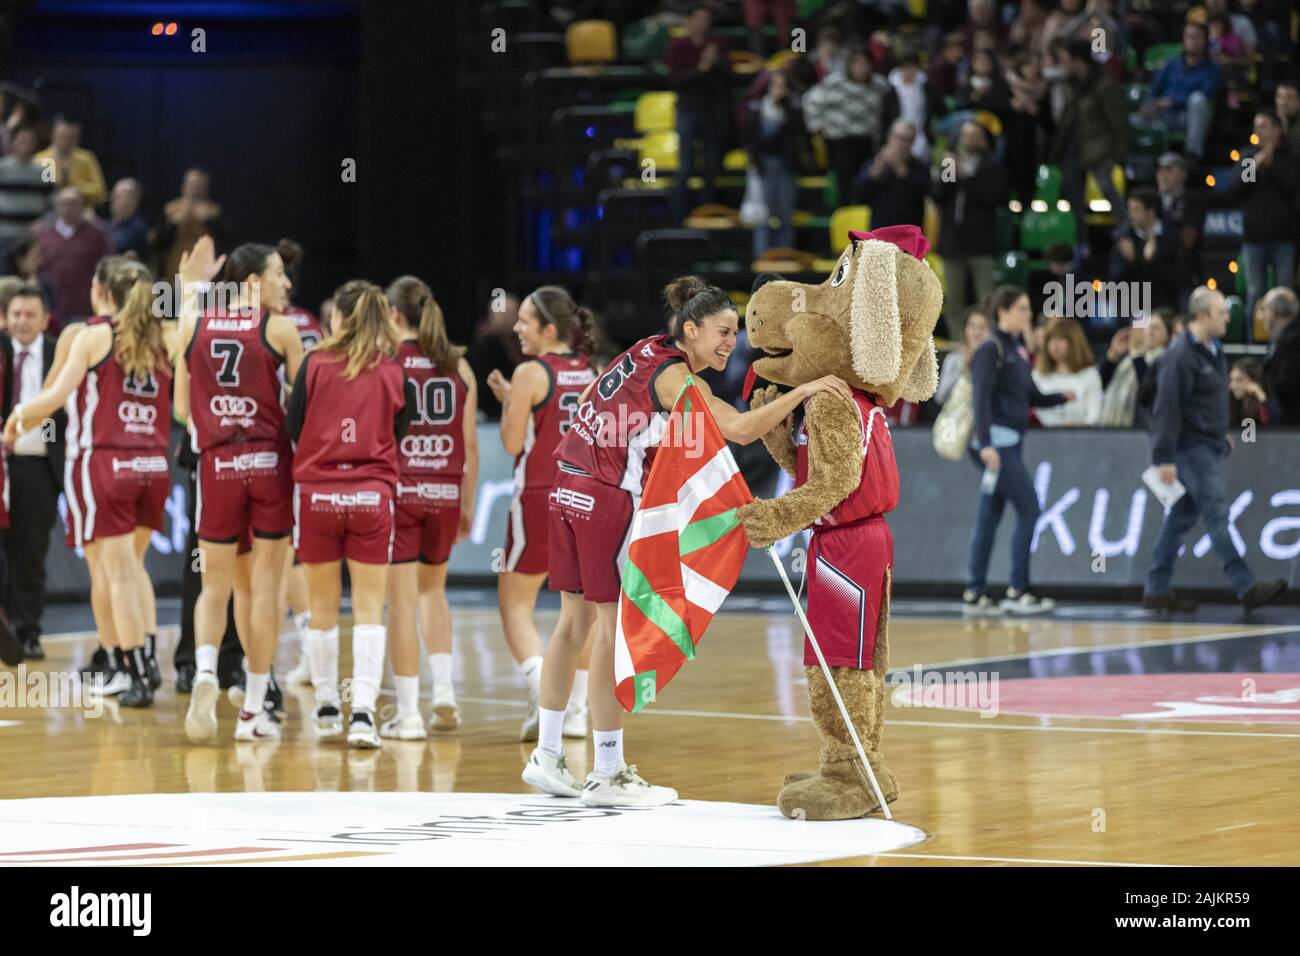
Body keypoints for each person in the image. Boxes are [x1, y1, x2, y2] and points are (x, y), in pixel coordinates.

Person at [522, 276, 854, 806]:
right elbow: (740, 430)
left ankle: (546, 754)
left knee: (572, 622)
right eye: (722, 332)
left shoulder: (642, 350)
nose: (732, 343)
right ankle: (607, 770)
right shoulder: (680, 381)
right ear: (691, 329)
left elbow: (589, 396)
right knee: (612, 630)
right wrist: (807, 389)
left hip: (566, 485)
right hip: (606, 497)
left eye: (736, 333)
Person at [3, 259, 172, 706]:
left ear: (101, 292)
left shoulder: (94, 334)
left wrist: (18, 419)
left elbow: (55, 397)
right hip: (153, 465)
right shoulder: (163, 337)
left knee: (109, 573)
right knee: (133, 569)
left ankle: (126, 666)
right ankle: (148, 660)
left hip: (105, 462)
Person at [175, 239, 304, 742]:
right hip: (269, 462)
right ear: (254, 282)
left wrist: (192, 286)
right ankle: (254, 707)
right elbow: (302, 410)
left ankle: (205, 670)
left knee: (215, 586)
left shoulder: (194, 325)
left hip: (217, 464)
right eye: (278, 274)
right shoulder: (281, 329)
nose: (286, 283)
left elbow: (183, 411)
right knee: (263, 589)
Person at [285, 280, 411, 748]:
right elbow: (402, 426)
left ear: (338, 316)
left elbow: (292, 424)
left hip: (318, 494)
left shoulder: (315, 362)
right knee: (368, 609)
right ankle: (362, 714)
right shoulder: (392, 368)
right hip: (371, 496)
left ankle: (323, 705)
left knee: (320, 608)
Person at [486, 286, 598, 741]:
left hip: (538, 495)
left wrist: (513, 400)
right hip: (587, 496)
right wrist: (518, 398)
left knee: (515, 603)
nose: (515, 326)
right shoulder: (595, 370)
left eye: (525, 320)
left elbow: (514, 444)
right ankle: (576, 711)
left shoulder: (532, 371)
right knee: (583, 611)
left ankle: (540, 690)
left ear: (549, 329)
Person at [1144, 286, 1286, 613]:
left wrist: (1220, 434)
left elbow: (1205, 402)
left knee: (1179, 519)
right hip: (1190, 448)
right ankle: (1245, 586)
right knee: (1216, 515)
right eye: (1222, 312)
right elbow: (1167, 408)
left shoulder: (1213, 348)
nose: (1227, 318)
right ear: (1204, 315)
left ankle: (1156, 588)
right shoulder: (1180, 355)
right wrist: (1163, 457)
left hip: (1206, 444)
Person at [382, 275, 478, 739]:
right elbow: (471, 448)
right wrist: (468, 503)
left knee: (400, 604)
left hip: (401, 491)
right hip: (445, 491)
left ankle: (409, 713)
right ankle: (444, 692)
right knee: (432, 593)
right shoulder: (459, 366)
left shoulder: (387, 362)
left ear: (395, 315)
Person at [964, 286, 1075, 616]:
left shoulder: (1017, 349)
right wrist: (985, 444)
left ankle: (975, 590)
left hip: (1008, 443)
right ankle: (1018, 589)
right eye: (1023, 309)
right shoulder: (991, 347)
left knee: (990, 516)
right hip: (997, 446)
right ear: (1005, 312)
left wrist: (1061, 398)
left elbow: (1030, 396)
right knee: (1029, 509)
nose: (1028, 315)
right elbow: (980, 398)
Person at [0, 286, 65, 658]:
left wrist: (44, 435)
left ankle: (27, 630)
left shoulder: (58, 353)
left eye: (30, 315)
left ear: (44, 319)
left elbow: (61, 414)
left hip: (39, 466)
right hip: (1, 465)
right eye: (16, 314)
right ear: (7, 318)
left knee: (30, 552)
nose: (22, 321)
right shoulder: (2, 352)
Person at [273, 238, 327, 689]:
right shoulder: (311, 323)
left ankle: (308, 651)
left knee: (281, 556)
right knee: (296, 553)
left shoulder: (264, 324)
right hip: (315, 443)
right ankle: (312, 649)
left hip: (274, 441)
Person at [1050, 38, 1127, 249]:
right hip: (1073, 152)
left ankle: (1129, 236)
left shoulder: (1104, 86)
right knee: (1073, 203)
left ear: (1078, 60)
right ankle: (1082, 247)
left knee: (1108, 190)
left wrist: (1117, 156)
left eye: (1065, 59)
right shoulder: (1073, 87)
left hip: (1099, 151)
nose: (1062, 64)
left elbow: (1118, 123)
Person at [933, 120, 1007, 340]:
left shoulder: (992, 166)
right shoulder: (951, 163)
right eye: (966, 135)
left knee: (986, 298)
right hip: (952, 243)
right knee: (954, 299)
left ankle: (988, 342)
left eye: (975, 136)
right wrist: (948, 171)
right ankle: (958, 345)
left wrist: (964, 176)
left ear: (984, 140)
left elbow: (993, 198)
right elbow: (938, 194)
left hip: (981, 242)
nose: (970, 140)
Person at [1219, 111, 1296, 321]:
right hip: (1254, 237)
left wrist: (1274, 167)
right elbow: (1236, 190)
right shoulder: (1248, 155)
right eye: (1256, 126)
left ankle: (1286, 341)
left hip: (1284, 236)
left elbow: (1293, 187)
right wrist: (1256, 165)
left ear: (1276, 129)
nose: (1257, 131)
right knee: (1255, 292)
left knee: (1284, 293)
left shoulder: (1288, 156)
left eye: (1263, 126)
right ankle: (1253, 342)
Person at [664, 5, 732, 218]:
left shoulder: (718, 44)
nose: (703, 24)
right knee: (686, 165)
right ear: (689, 21)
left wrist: (716, 62)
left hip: (712, 110)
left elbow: (729, 77)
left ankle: (707, 212)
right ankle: (679, 215)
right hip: (687, 111)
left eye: (707, 19)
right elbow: (674, 81)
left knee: (712, 167)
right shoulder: (677, 46)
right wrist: (701, 68)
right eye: (699, 19)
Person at [803, 49, 896, 202]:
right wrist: (816, 127)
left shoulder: (879, 85)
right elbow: (811, 100)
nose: (862, 68)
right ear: (850, 65)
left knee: (868, 182)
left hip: (868, 141)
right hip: (841, 140)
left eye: (866, 64)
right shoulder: (834, 82)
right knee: (845, 184)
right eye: (857, 64)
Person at [1136, 21, 1223, 160]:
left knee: (1198, 100)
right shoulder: (1171, 63)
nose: (1192, 41)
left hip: (1188, 116)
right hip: (1164, 115)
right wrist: (1149, 104)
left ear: (1205, 40)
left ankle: (1192, 156)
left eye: (1196, 37)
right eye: (1188, 36)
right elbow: (1154, 89)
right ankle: (1137, 164)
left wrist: (1173, 101)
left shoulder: (1212, 68)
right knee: (1132, 120)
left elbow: (1206, 93)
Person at [744, 69, 805, 258]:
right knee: (763, 216)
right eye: (774, 85)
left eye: (782, 86)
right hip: (763, 167)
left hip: (786, 166)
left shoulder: (793, 109)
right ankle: (761, 257)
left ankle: (783, 257)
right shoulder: (757, 109)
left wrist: (785, 109)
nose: (778, 90)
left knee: (786, 215)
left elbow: (801, 131)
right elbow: (756, 141)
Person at [36, 187, 111, 323]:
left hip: (84, 308)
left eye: (73, 203)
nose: (68, 208)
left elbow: (108, 267)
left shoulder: (96, 234)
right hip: (51, 309)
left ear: (82, 206)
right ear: (57, 207)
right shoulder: (43, 235)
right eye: (64, 203)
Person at [1109, 187, 1190, 312]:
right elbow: (1115, 278)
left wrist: (1152, 261)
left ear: (1150, 212)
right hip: (1132, 308)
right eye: (1129, 209)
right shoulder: (1124, 237)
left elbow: (1179, 278)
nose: (1131, 215)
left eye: (1136, 210)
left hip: (1164, 307)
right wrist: (1130, 261)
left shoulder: (1171, 236)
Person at [153, 168, 230, 285]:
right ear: (183, 187)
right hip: (173, 276)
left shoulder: (215, 212)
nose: (195, 190)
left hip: (206, 278)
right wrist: (173, 225)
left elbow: (228, 241)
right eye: (193, 185)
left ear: (206, 189)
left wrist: (210, 222)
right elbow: (157, 244)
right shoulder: (170, 211)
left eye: (200, 186)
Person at [1098, 309, 1172, 428]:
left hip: (1139, 432)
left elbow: (1147, 391)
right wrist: (1113, 355)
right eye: (1147, 327)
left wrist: (1136, 352)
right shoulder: (1128, 360)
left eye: (1156, 328)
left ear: (1168, 335)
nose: (1149, 332)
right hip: (1111, 428)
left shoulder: (1165, 361)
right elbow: (1100, 385)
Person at [851, 120, 929, 227]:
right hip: (879, 233)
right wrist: (876, 169)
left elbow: (918, 195)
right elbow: (858, 195)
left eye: (907, 140)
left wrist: (900, 168)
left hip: (909, 233)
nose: (901, 144)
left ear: (913, 142)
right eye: (898, 138)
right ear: (889, 137)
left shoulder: (921, 167)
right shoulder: (875, 163)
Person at [1033, 317, 1103, 426]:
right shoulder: (1038, 375)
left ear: (1074, 342)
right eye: (1051, 339)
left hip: (1082, 438)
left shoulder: (1090, 375)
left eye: (1060, 339)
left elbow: (1094, 415)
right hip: (1044, 437)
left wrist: (1076, 428)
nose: (1055, 345)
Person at [0, 124, 53, 258]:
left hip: (32, 239)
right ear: (13, 142)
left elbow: (53, 207)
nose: (25, 144)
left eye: (29, 140)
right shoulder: (2, 168)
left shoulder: (45, 171)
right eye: (21, 140)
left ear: (36, 143)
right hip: (3, 236)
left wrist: (43, 223)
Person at [33, 118, 106, 209]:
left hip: (81, 213)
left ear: (78, 138)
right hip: (50, 211)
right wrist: (61, 182)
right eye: (62, 136)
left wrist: (72, 184)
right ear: (53, 136)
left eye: (71, 137)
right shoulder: (43, 160)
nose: (66, 142)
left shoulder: (86, 159)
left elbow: (100, 192)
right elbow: (42, 192)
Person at [1260, 286, 1299, 425]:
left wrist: (1260, 393)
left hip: (1291, 425)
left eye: (1264, 309)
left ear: (1272, 311)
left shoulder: (1294, 340)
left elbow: (1286, 383)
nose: (1262, 315)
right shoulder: (1279, 338)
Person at [936, 306, 989, 406]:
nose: (976, 332)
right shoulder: (954, 359)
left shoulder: (993, 360)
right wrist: (963, 367)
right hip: (957, 419)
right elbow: (940, 397)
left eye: (982, 327)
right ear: (965, 329)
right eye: (972, 326)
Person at [1228, 357, 1279, 427]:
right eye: (1231, 380)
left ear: (1254, 381)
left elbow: (1274, 423)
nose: (1233, 386)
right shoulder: (1228, 402)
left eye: (1239, 380)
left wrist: (1260, 394)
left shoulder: (1263, 403)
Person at [107, 179, 149, 260]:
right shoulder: (107, 224)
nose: (112, 200)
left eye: (119, 196)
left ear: (134, 200)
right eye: (113, 195)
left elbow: (115, 248)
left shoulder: (137, 228)